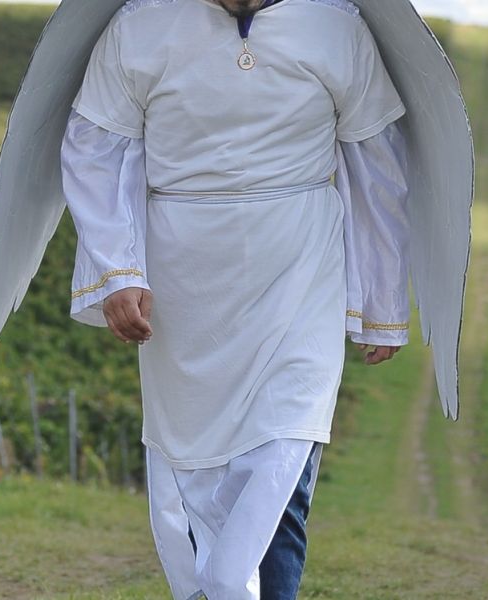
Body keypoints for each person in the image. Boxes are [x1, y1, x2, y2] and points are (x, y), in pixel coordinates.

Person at [59, 0, 411, 597]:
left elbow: (377, 164)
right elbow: (95, 151)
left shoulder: (337, 26)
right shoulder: (139, 26)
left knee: (285, 455)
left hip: (300, 274)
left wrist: (383, 300)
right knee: (197, 474)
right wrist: (118, 271)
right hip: (185, 287)